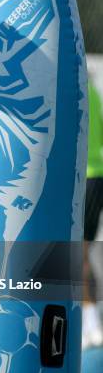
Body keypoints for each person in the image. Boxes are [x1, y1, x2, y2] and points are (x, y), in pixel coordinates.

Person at [83, 80, 103, 348]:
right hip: (96, 174)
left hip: (85, 174)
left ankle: (91, 324)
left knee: (76, 253)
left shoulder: (63, 77)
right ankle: (92, 320)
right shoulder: (88, 84)